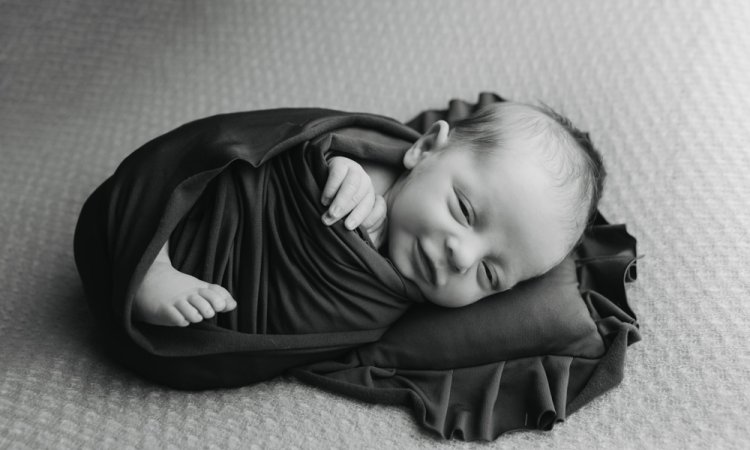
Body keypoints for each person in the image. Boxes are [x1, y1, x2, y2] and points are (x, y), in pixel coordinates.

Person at [132, 101, 605, 326]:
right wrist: (340, 169)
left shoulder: (394, 299)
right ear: (424, 149)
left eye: (489, 274)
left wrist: (375, 232)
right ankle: (150, 261)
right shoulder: (367, 164)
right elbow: (295, 160)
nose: (462, 257)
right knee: (207, 181)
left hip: (237, 293)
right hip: (230, 211)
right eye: (463, 210)